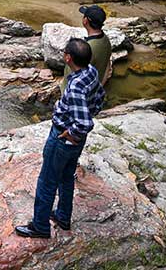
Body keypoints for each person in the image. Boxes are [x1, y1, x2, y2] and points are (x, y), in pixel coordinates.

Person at [15, 37, 106, 239]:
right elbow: (100, 95)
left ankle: (40, 226)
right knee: (66, 176)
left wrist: (71, 134)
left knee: (47, 181)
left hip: (62, 137)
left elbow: (84, 123)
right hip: (73, 141)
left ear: (68, 58)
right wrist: (90, 113)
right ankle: (63, 216)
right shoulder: (91, 72)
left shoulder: (74, 88)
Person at [59, 5, 112, 95]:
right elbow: (108, 65)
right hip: (94, 87)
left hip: (74, 93)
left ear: (85, 21)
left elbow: (78, 73)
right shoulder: (105, 39)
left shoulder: (88, 49)